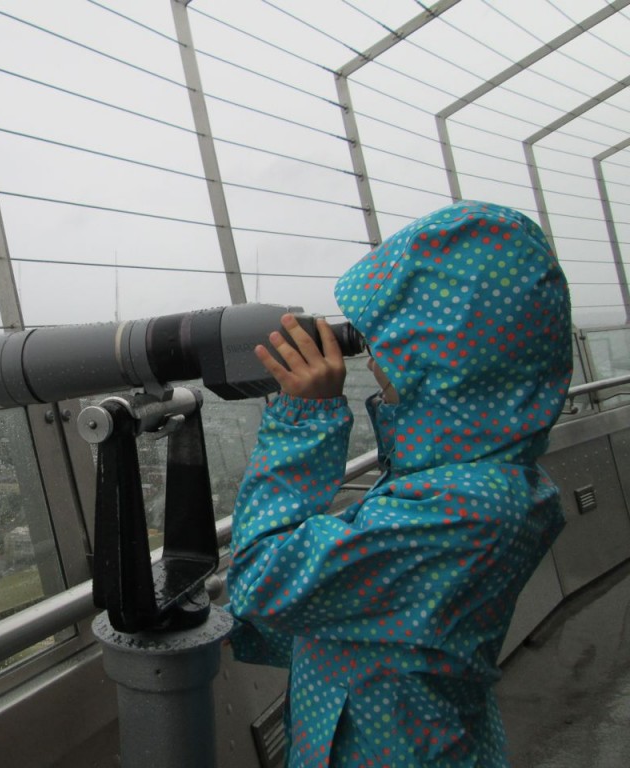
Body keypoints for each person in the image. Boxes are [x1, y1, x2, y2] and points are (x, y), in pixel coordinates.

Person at [228, 200, 572, 767]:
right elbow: (377, 627)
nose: (373, 355)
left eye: (389, 339)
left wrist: (303, 419)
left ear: (444, 360)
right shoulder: (478, 480)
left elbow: (263, 581)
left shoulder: (463, 511)